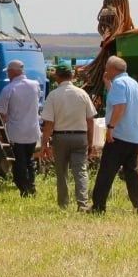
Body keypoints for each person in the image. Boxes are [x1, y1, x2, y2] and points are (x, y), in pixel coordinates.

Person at [90, 56, 138, 214]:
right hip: (134, 135)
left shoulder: (120, 84)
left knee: (106, 172)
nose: (105, 70)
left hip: (120, 135)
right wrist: (108, 84)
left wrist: (111, 128)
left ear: (113, 69)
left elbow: (120, 106)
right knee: (132, 173)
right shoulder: (132, 83)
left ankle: (98, 207)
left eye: (107, 67)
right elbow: (121, 99)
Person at [38, 66, 96, 211]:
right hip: (80, 136)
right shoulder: (82, 94)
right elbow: (90, 120)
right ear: (71, 76)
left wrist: (44, 144)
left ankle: (63, 204)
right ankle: (82, 204)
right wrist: (90, 142)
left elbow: (49, 124)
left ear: (57, 77)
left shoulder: (53, 95)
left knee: (61, 171)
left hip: (60, 137)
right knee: (81, 171)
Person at [0, 60, 42, 196]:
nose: (8, 74)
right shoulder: (35, 85)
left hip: (16, 133)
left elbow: (2, 114)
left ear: (13, 72)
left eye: (9, 72)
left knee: (19, 163)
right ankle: (31, 186)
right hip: (33, 132)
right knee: (29, 161)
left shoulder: (9, 89)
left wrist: (0, 132)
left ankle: (24, 189)